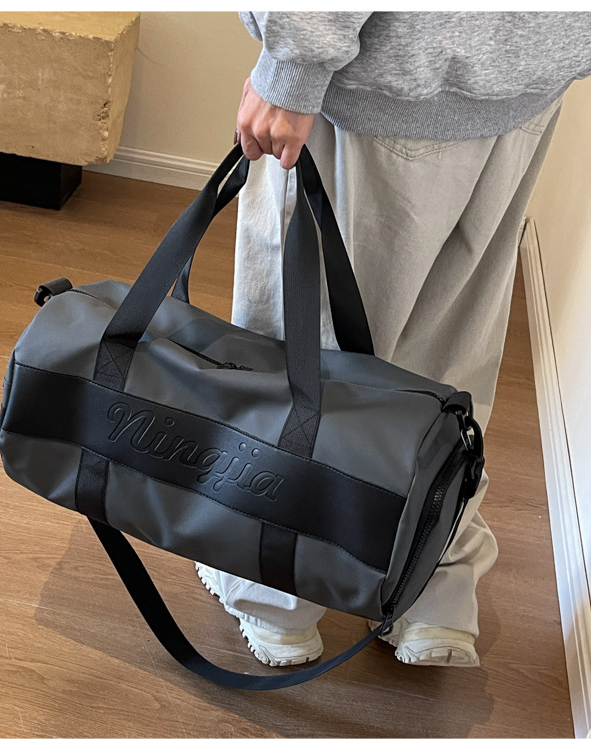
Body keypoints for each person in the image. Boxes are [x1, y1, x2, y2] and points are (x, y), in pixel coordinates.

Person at [196, 11, 591, 668]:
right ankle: (430, 587)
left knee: (302, 353)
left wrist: (294, 63)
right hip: (531, 76)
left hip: (385, 75)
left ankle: (277, 597)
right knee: (446, 366)